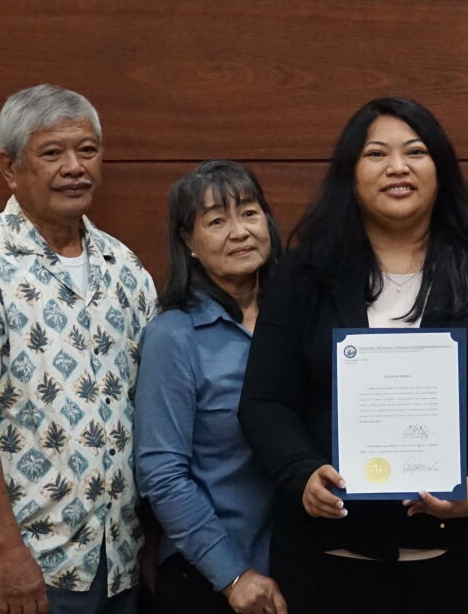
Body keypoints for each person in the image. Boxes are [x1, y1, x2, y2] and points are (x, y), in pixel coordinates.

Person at [239, 96, 468, 614]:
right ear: (350, 173)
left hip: (455, 566)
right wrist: (301, 473)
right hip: (327, 564)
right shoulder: (304, 273)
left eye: (416, 152)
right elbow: (264, 401)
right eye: (376, 154)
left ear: (440, 169)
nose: (397, 167)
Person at [0, 84, 157, 613]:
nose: (75, 167)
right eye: (52, 152)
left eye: (88, 150)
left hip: (117, 563)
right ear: (9, 167)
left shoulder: (126, 269)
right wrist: (8, 553)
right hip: (25, 567)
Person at [135, 161, 288, 614]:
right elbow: (162, 475)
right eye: (217, 221)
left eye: (249, 213)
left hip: (304, 567)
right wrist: (232, 574)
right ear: (189, 243)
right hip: (212, 578)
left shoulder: (299, 322)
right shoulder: (174, 335)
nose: (239, 231)